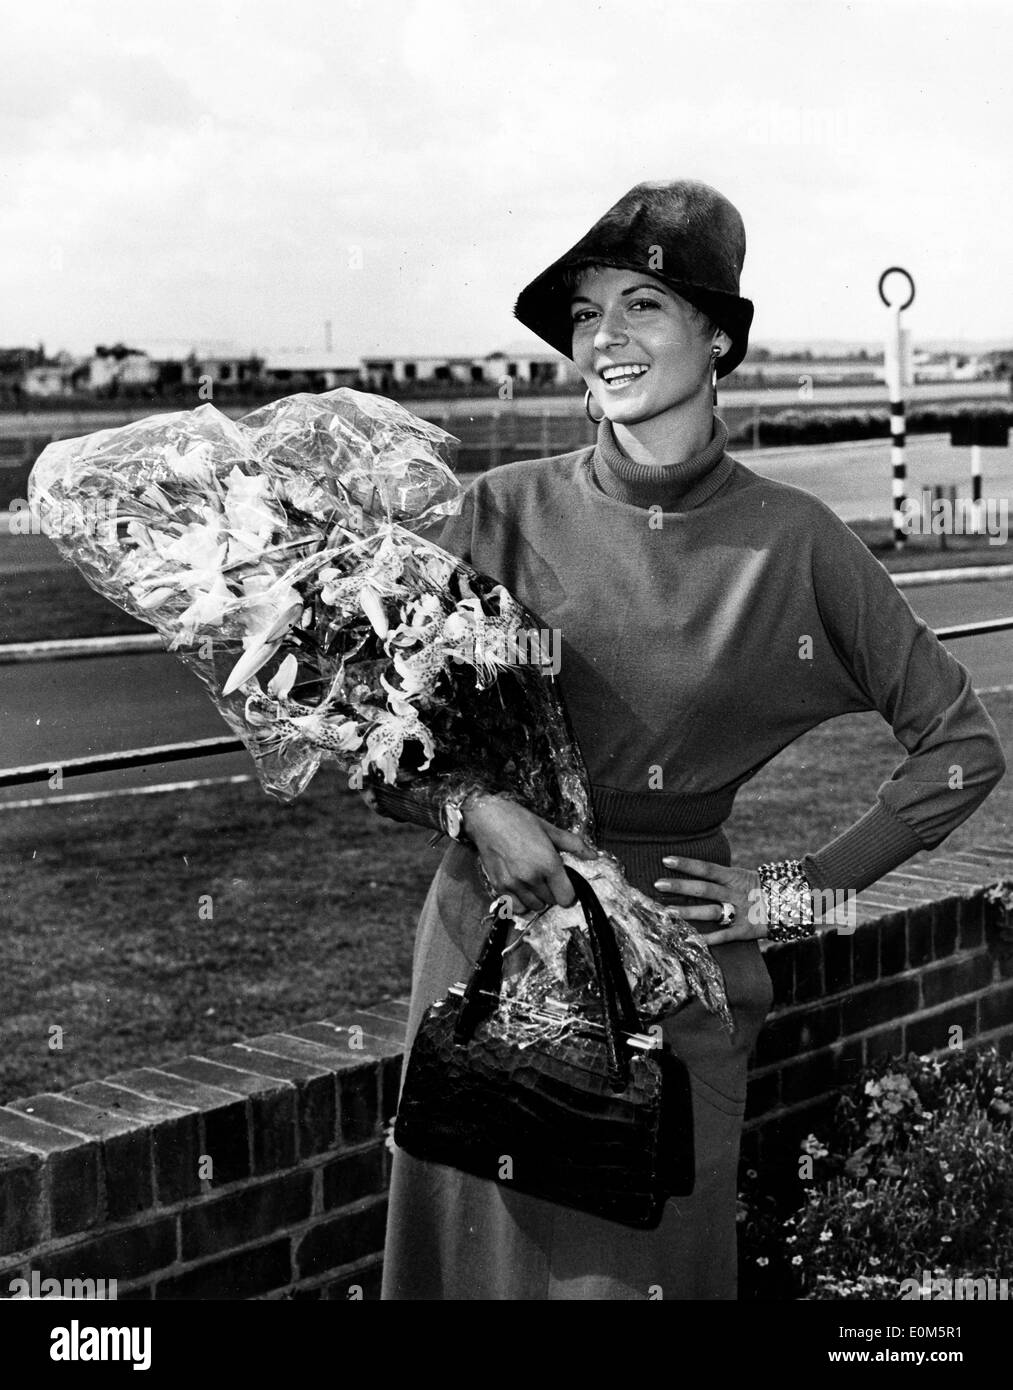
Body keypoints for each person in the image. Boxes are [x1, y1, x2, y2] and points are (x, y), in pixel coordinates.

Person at [368, 179, 1007, 1300]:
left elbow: (958, 746)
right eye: (582, 314)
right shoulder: (496, 511)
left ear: (717, 337)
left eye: (641, 304)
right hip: (483, 945)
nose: (601, 338)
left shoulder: (795, 543)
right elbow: (376, 736)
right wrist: (473, 808)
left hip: (669, 975)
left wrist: (798, 888)